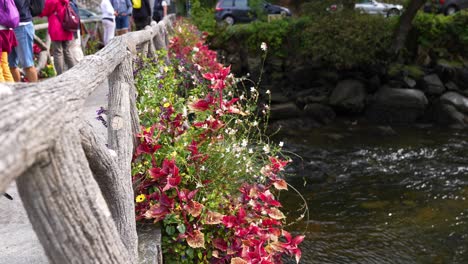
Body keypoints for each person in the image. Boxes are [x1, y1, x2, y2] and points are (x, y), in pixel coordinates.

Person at [40, 0, 77, 75]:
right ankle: (74, 71)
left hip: (56, 27)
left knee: (58, 52)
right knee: (67, 50)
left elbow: (43, 12)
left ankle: (60, 74)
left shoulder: (51, 1)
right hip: (66, 26)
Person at [9, 0, 38, 82]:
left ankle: (35, 92)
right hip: (7, 27)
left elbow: (19, 3)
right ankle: (17, 92)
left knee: (27, 64)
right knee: (11, 65)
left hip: (22, 25)